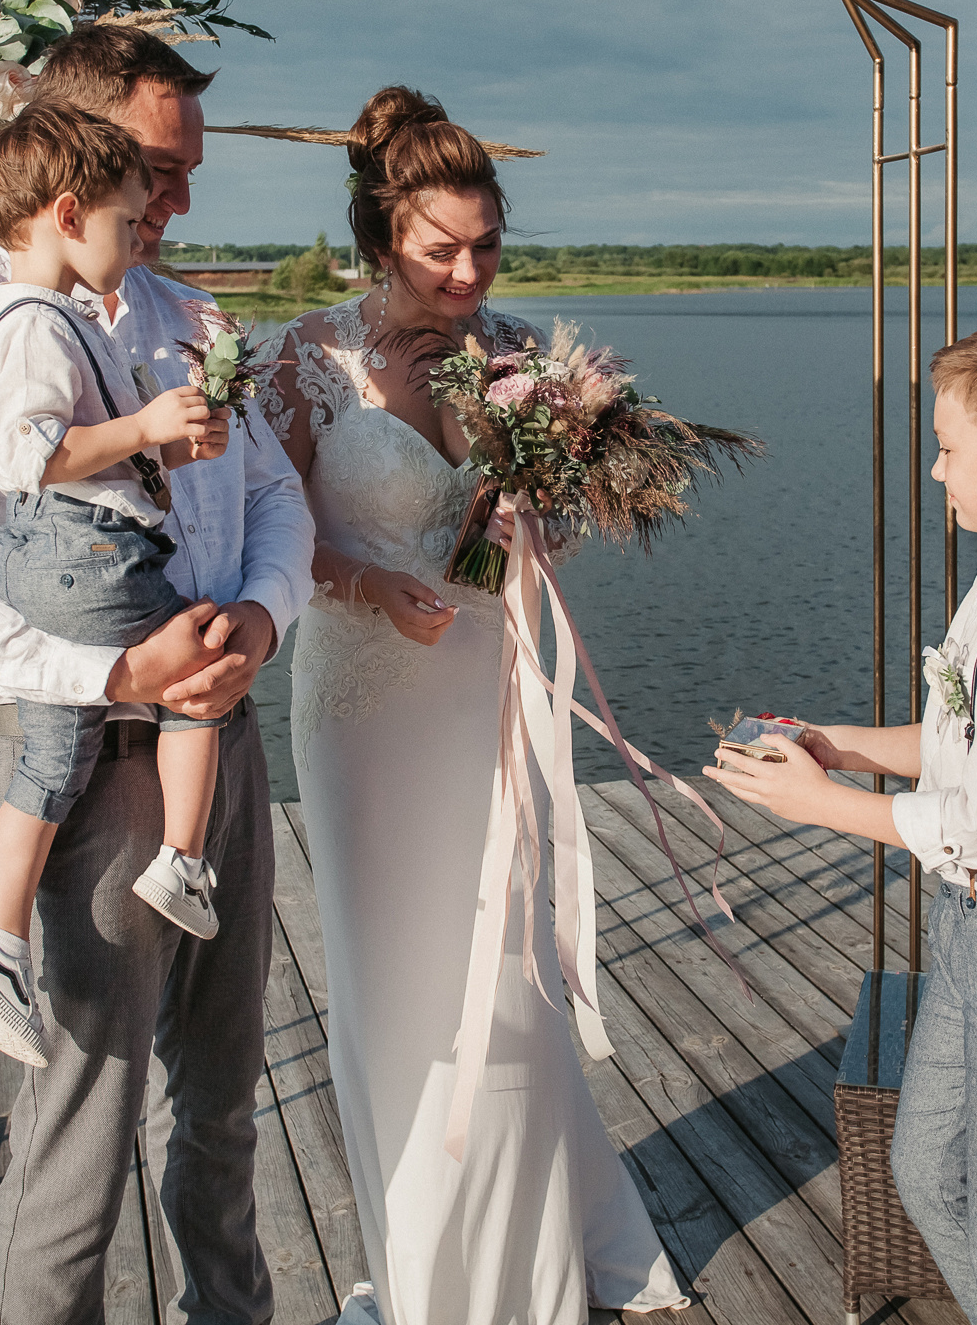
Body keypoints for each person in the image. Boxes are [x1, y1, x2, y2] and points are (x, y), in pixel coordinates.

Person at [0, 24, 314, 1325]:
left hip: (217, 750)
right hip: (77, 774)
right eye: (157, 173)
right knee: (79, 1140)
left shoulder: (186, 316)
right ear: (81, 159)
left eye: (187, 173)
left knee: (222, 1109)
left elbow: (273, 495)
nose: (177, 201)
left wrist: (263, 627)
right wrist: (116, 664)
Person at [256, 86, 688, 1324]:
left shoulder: (521, 366)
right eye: (440, 246)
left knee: (507, 971)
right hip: (362, 703)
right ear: (381, 231)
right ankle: (430, 1268)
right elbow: (275, 550)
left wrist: (536, 520)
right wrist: (367, 583)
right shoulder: (304, 359)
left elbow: (544, 530)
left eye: (486, 244)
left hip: (488, 690)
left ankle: (519, 1260)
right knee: (400, 980)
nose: (465, 269)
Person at [701, 317, 977, 1325]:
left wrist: (826, 806)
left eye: (947, 449)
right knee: (926, 1168)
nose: (937, 472)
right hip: (972, 935)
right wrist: (839, 743)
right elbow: (959, 747)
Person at [0, 100, 235, 1074]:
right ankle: (181, 864)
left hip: (67, 558)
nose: (136, 238)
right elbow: (30, 455)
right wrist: (147, 430)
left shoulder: (54, 319)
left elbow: (89, 448)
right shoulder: (36, 322)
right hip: (82, 561)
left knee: (57, 757)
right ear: (69, 214)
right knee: (202, 674)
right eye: (124, 220)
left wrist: (167, 444)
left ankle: (0, 941)